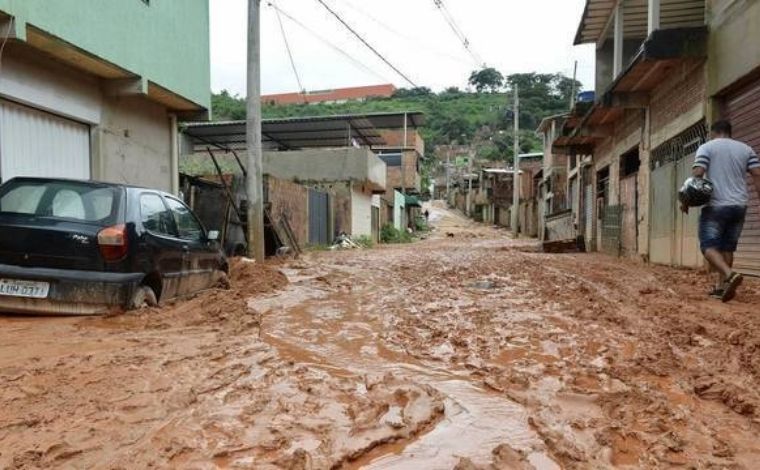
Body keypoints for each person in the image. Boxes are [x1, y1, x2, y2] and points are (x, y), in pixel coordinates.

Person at [684, 120, 760, 302]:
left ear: (713, 132)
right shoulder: (746, 149)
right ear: (729, 132)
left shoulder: (707, 147)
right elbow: (757, 174)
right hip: (739, 206)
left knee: (708, 246)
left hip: (716, 206)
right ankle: (722, 288)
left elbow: (698, 173)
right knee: (727, 247)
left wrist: (685, 200)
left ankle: (730, 274)